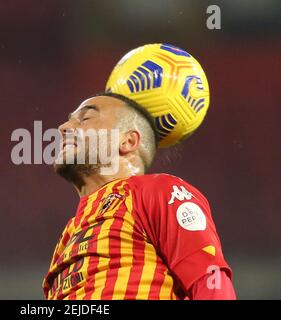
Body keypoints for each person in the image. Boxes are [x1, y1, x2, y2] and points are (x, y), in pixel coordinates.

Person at [42, 92, 236, 300]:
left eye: (85, 119)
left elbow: (210, 279)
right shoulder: (69, 235)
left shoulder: (160, 192)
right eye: (69, 120)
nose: (63, 128)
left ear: (128, 141)